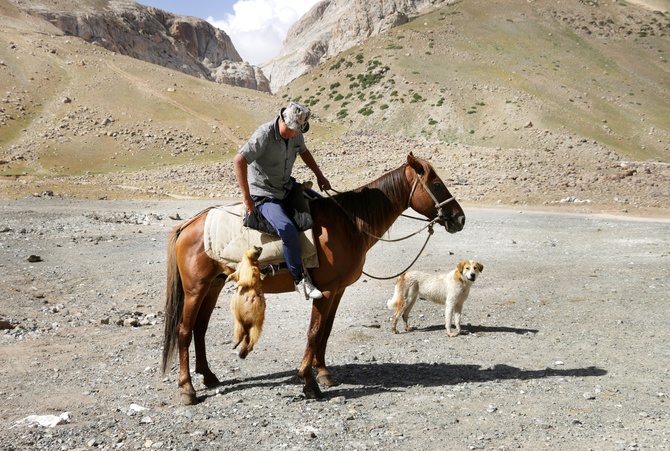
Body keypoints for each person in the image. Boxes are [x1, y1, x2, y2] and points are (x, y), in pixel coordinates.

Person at [233, 102, 331, 300]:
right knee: (287, 229)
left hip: (286, 187)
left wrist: (319, 175)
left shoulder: (295, 133)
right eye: (291, 129)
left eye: (298, 131)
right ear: (282, 119)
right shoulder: (264, 134)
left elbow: (303, 151)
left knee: (324, 207)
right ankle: (299, 280)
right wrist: (247, 197)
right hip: (264, 194)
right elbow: (239, 160)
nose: (294, 134)